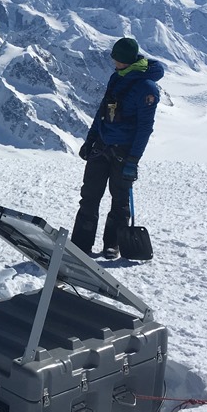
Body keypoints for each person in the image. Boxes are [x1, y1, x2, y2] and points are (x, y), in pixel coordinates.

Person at [71, 37, 164, 259]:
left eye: (117, 58)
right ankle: (80, 246)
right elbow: (102, 111)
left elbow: (144, 128)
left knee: (120, 200)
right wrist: (90, 139)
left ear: (127, 60)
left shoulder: (147, 88)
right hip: (102, 145)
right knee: (89, 196)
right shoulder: (116, 77)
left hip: (124, 151)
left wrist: (134, 159)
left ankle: (112, 244)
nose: (113, 61)